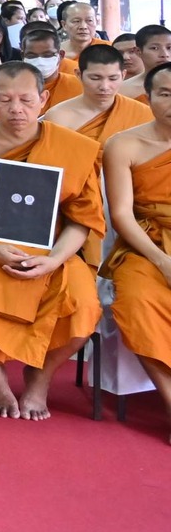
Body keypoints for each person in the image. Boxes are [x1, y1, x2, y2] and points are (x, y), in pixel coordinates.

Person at [0, 61, 104, 419]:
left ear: (43, 98)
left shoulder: (73, 147)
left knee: (85, 306)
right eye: (5, 100)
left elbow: (81, 221)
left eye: (26, 100)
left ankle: (40, 378)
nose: (17, 109)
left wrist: (55, 259)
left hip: (51, 246)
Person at [102, 63, 171, 439]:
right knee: (137, 303)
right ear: (149, 97)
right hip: (145, 244)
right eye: (165, 93)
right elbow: (122, 214)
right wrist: (162, 260)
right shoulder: (125, 144)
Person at [42, 42, 150, 145]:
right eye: (95, 78)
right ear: (79, 75)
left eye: (113, 78)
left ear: (123, 75)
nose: (104, 87)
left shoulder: (143, 114)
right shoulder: (59, 116)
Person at [120, 25, 171, 98]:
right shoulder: (123, 90)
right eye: (154, 48)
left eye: (169, 47)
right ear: (138, 51)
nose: (165, 54)